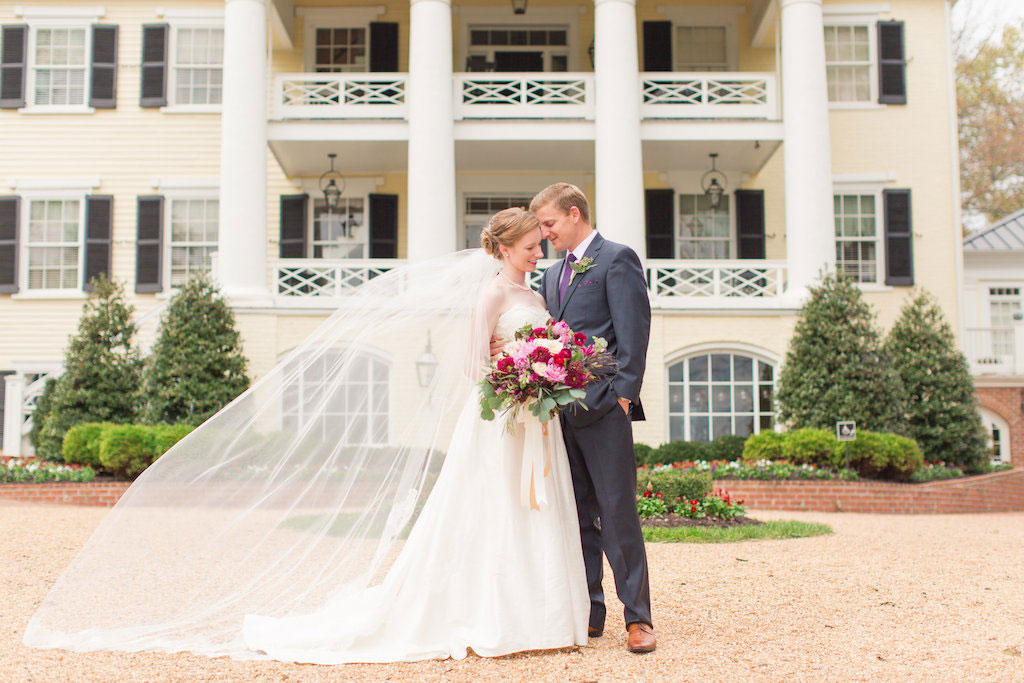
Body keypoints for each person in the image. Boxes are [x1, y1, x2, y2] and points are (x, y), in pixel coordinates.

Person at [23, 209, 589, 663]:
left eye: (539, 245)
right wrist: (517, 381)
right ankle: (493, 616)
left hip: (535, 422)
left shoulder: (536, 298)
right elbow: (473, 366)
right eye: (530, 246)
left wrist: (546, 379)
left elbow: (541, 346)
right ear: (504, 248)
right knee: (491, 510)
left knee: (535, 508)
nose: (538, 252)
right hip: (499, 420)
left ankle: (539, 617)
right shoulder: (489, 294)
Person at [495, 183, 655, 653]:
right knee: (577, 516)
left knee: (618, 512)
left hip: (605, 412)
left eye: (548, 224)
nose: (544, 235)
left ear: (573, 214)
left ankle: (639, 619)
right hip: (558, 420)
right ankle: (590, 614)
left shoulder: (616, 259)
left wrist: (622, 399)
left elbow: (634, 332)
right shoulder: (549, 278)